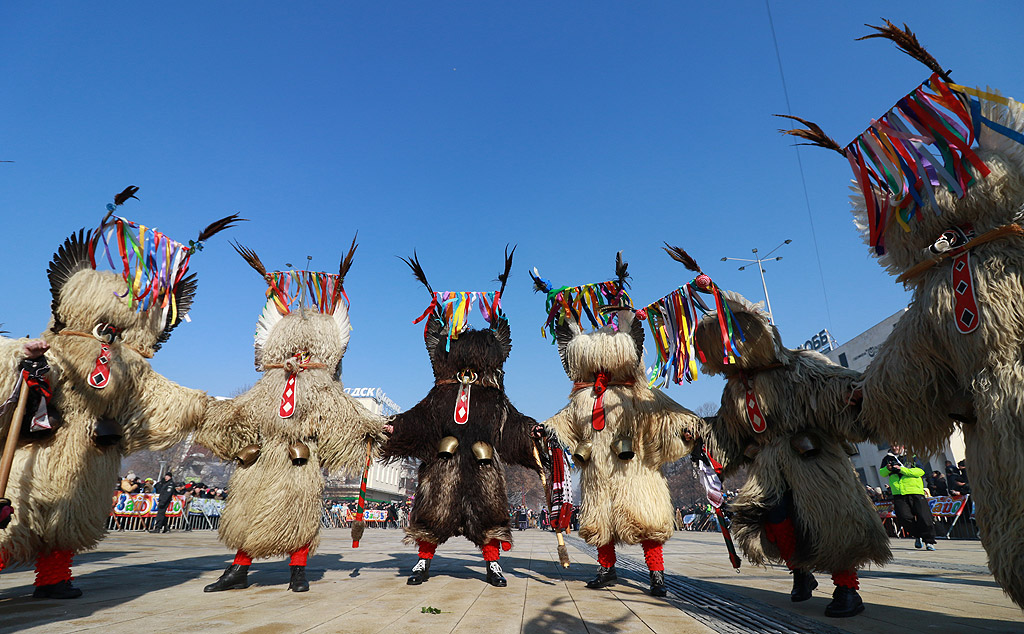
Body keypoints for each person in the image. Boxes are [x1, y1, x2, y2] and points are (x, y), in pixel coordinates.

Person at [880, 446, 936, 551]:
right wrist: (887, 469)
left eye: (896, 445)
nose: (894, 447)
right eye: (892, 445)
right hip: (899, 493)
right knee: (903, 517)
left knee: (924, 517)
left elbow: (920, 472)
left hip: (915, 491)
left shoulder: (912, 456)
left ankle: (929, 541)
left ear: (902, 446)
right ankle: (917, 535)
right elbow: (882, 473)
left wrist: (902, 470)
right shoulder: (887, 458)